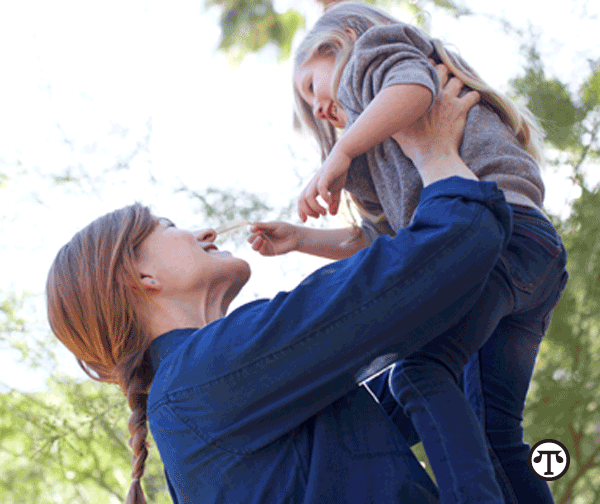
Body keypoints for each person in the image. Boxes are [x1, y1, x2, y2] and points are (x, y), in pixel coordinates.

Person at [46, 77, 512, 504]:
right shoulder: (204, 374)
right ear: (141, 279)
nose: (204, 231)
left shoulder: (202, 397)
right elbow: (454, 245)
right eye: (168, 226)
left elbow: (369, 434)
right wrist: (433, 153)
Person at [251, 2, 568, 503]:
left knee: (420, 371)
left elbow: (415, 89)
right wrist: (302, 237)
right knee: (495, 432)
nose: (316, 107)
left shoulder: (373, 57)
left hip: (500, 238)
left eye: (311, 86)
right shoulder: (375, 153)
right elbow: (381, 242)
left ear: (343, 40)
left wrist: (342, 150)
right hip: (535, 257)